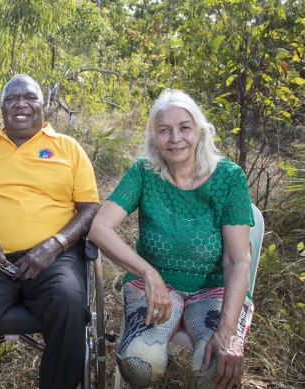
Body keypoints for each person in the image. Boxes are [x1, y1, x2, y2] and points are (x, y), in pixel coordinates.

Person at [0, 74, 99, 389]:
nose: (21, 104)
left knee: (69, 302)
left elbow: (89, 208)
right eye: (12, 98)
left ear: (42, 106)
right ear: (2, 107)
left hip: (55, 259)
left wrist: (55, 244)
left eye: (30, 97)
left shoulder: (68, 148)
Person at [88, 89, 255, 389]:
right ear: (154, 138)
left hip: (213, 288)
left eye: (184, 128)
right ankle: (166, 323)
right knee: (138, 367)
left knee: (214, 372)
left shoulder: (229, 178)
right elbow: (99, 228)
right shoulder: (144, 172)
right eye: (164, 130)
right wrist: (149, 273)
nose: (175, 138)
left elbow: (237, 259)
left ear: (200, 132)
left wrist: (228, 331)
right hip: (156, 286)